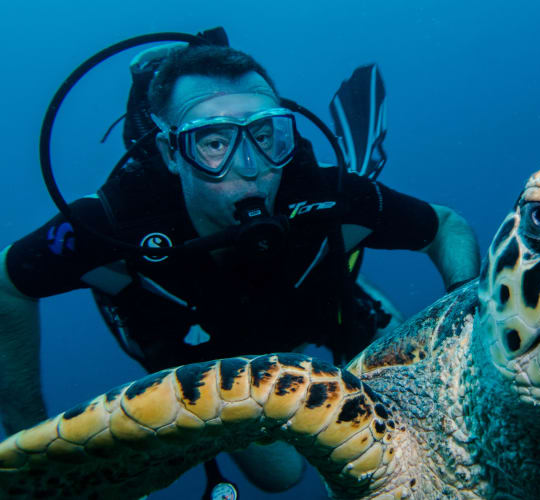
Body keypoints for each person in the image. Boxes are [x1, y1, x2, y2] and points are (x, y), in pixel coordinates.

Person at [0, 42, 480, 493]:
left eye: (266, 135)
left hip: (305, 304)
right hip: (200, 348)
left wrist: (467, 332)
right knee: (281, 475)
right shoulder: (112, 223)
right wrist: (32, 440)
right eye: (214, 142)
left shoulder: (322, 193)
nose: (251, 166)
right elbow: (7, 283)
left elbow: (445, 226)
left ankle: (346, 281)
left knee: (408, 414)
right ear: (171, 153)